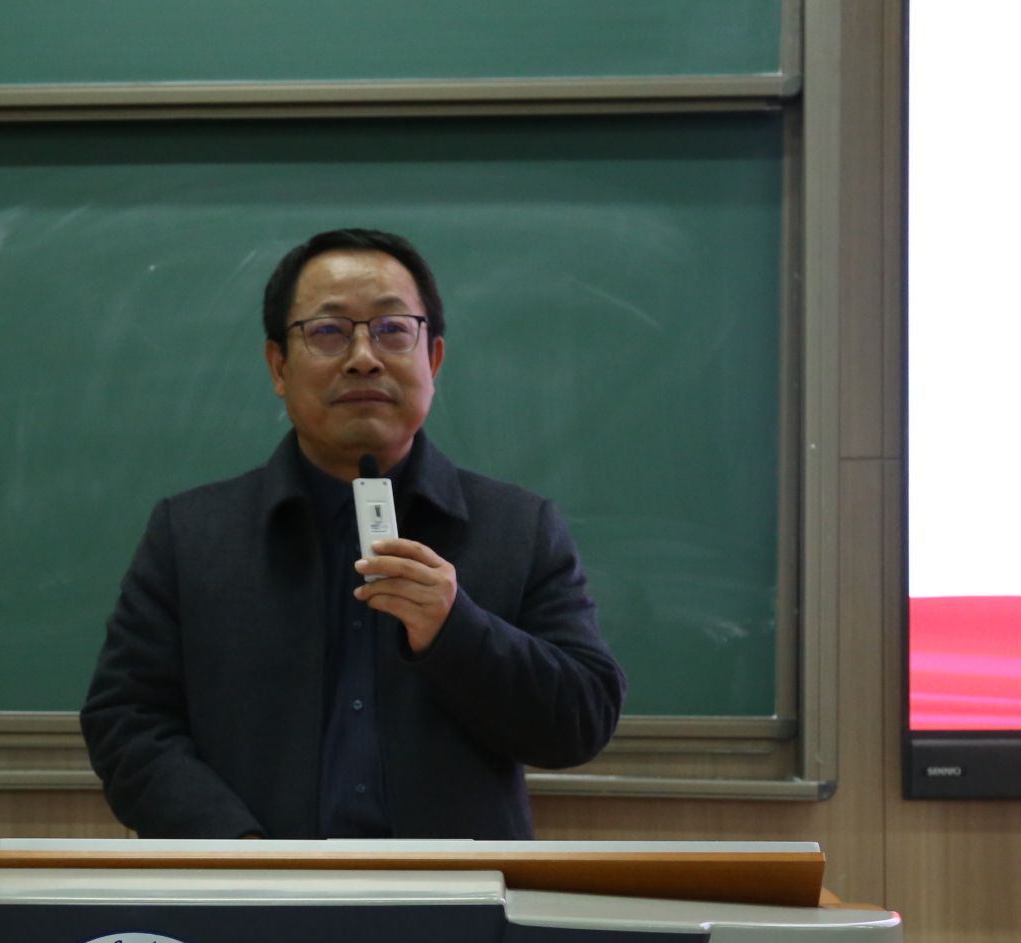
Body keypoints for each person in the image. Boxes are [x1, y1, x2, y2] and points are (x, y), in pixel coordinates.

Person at [81, 228, 624, 839]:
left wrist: (458, 631)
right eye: (329, 331)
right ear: (279, 367)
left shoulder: (519, 528)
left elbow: (581, 722)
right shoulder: (191, 535)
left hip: (459, 892)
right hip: (246, 886)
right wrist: (238, 853)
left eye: (392, 329)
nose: (364, 356)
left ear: (433, 360)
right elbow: (127, 723)